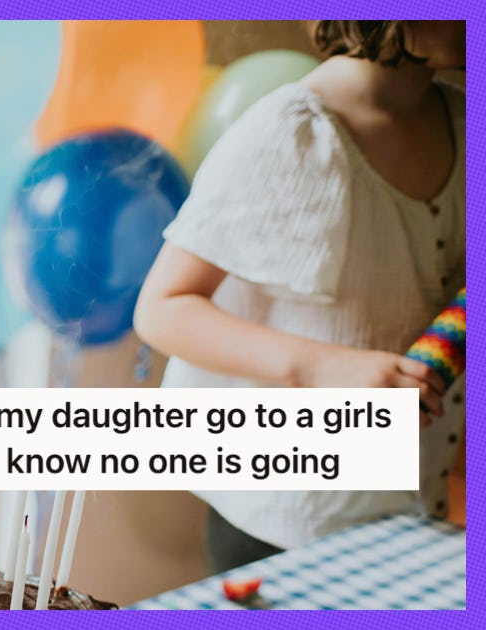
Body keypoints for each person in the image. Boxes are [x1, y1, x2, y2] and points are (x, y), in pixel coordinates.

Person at [134, 20, 465, 572]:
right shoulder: (293, 129)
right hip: (287, 519)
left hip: (410, 506)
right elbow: (163, 309)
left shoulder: (463, 118)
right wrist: (328, 367)